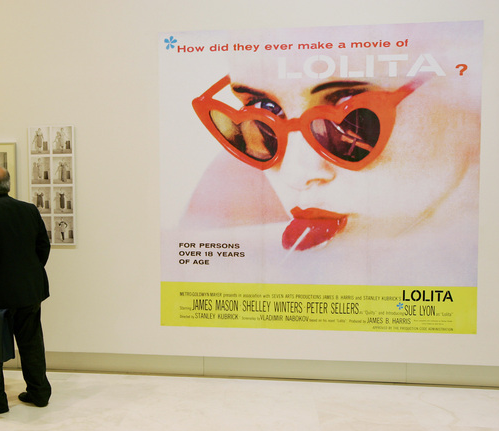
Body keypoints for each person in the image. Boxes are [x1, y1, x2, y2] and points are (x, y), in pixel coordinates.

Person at [171, 23, 481, 286]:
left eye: (352, 120)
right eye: (262, 111)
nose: (297, 174)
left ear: (467, 87)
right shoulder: (237, 186)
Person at [0, 164, 51, 413]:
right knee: (31, 342)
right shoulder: (29, 209)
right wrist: (29, 273)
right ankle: (39, 393)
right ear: (8, 185)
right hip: (29, 290)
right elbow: (43, 247)